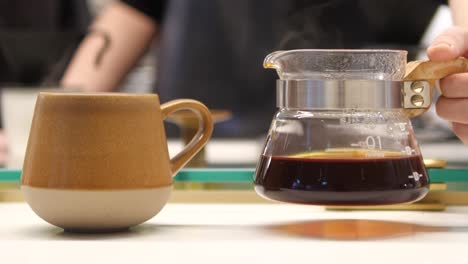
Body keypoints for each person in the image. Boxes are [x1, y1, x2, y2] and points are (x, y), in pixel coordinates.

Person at [61, 0, 468, 143]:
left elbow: (462, 39)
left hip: (376, 173)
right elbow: (97, 61)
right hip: (186, 171)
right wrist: (51, 123)